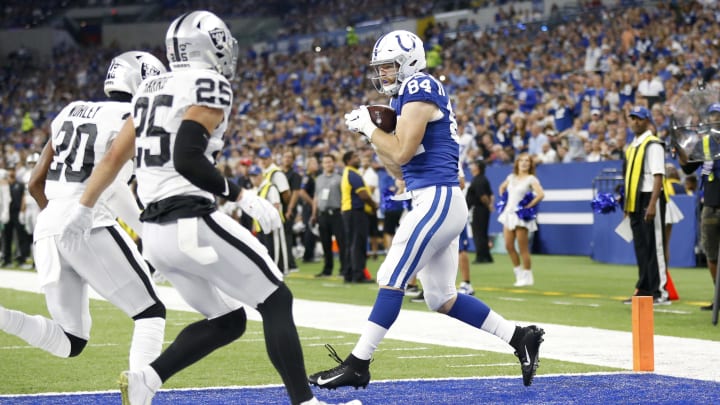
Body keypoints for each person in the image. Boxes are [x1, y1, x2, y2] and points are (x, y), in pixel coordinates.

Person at [59, 11, 358, 405]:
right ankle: (305, 402)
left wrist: (83, 207)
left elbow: (114, 157)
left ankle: (146, 379)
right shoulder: (209, 82)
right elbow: (187, 156)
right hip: (190, 219)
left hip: (155, 235)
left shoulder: (148, 89)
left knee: (228, 320)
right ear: (211, 45)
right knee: (276, 299)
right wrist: (242, 195)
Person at [309, 29, 544, 390]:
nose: (383, 74)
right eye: (381, 68)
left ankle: (358, 364)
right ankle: (519, 337)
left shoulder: (420, 86)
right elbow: (398, 169)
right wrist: (372, 135)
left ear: (409, 62)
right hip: (432, 198)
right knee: (441, 297)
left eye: (389, 67)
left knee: (391, 278)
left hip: (437, 199)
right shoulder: (406, 96)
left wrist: (372, 132)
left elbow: (402, 152)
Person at [0, 51, 167, 373]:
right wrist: (149, 234)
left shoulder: (69, 111)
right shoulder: (134, 117)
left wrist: (57, 220)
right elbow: (115, 189)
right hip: (88, 218)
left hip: (48, 224)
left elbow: (36, 181)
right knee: (150, 313)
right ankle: (140, 392)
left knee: (70, 340)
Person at [622, 105, 670, 305]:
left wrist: (652, 204)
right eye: (632, 118)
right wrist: (628, 206)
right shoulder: (633, 146)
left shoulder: (653, 144)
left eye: (639, 118)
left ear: (647, 121)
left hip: (651, 197)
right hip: (636, 199)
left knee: (655, 246)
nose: (635, 121)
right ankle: (644, 289)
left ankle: (660, 292)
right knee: (641, 247)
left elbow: (658, 176)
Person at [677, 103, 720, 310]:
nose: (715, 119)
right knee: (711, 253)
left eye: (717, 115)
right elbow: (687, 168)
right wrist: (678, 148)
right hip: (710, 205)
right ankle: (718, 295)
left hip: (712, 205)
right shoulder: (704, 144)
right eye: (712, 115)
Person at [498, 152, 545, 287]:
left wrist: (528, 206)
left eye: (527, 161)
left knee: (523, 247)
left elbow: (541, 194)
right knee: (508, 246)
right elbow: (501, 187)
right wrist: (504, 199)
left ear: (530, 164)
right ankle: (518, 273)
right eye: (522, 160)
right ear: (517, 163)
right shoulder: (511, 177)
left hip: (521, 216)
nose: (524, 163)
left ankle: (528, 275)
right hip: (509, 214)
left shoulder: (531, 179)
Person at [340, 150, 377, 283]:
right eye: (355, 157)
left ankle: (349, 273)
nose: (358, 159)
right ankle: (358, 274)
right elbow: (363, 195)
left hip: (349, 212)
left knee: (351, 243)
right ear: (348, 161)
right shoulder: (353, 173)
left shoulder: (349, 173)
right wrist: (373, 205)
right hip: (355, 212)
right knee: (358, 244)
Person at [311, 153, 347, 278]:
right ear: (322, 165)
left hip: (336, 213)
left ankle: (344, 269)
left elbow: (344, 196)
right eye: (325, 162)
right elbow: (316, 197)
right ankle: (327, 270)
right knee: (325, 244)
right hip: (323, 214)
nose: (327, 164)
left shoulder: (340, 178)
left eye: (330, 162)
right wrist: (314, 213)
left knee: (341, 243)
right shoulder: (319, 179)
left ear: (334, 163)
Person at [466, 159, 494, 264]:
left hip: (478, 209)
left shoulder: (478, 180)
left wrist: (488, 205)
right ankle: (487, 256)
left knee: (478, 233)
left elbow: (483, 196)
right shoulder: (484, 179)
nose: (471, 167)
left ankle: (480, 257)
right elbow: (491, 195)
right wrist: (490, 205)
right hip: (483, 209)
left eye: (473, 165)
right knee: (483, 233)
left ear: (477, 167)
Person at [2, 167, 31, 266]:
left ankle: (22, 259)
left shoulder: (20, 185)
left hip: (17, 212)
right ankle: (7, 259)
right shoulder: (4, 185)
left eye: (13, 170)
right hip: (7, 213)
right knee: (7, 237)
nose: (11, 172)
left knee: (21, 236)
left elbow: (24, 197)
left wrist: (22, 212)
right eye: (9, 170)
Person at [281, 150, 301, 272]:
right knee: (282, 236)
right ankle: (284, 261)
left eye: (290, 157)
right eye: (285, 157)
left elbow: (295, 193)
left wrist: (290, 209)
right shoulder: (279, 173)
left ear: (293, 160)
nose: (287, 159)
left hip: (287, 209)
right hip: (279, 208)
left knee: (287, 236)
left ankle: (290, 263)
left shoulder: (295, 175)